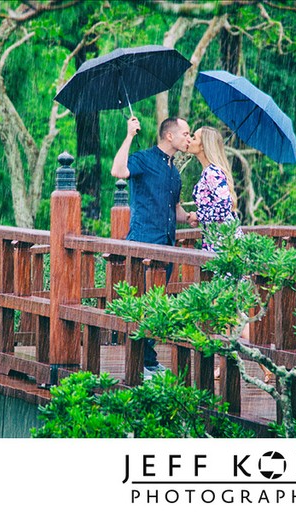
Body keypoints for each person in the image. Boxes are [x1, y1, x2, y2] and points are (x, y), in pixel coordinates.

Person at [111, 115, 198, 378]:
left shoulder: (173, 169)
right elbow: (118, 171)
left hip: (167, 244)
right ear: (169, 136)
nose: (189, 138)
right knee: (144, 304)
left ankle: (148, 360)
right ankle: (143, 362)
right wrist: (129, 135)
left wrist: (189, 217)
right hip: (144, 242)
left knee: (156, 304)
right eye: (186, 134)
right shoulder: (144, 158)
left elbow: (174, 208)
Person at [187, 126, 273, 383]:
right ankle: (234, 364)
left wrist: (198, 216)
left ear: (204, 145)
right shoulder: (208, 172)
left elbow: (225, 209)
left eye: (195, 137)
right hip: (218, 244)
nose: (190, 140)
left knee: (229, 312)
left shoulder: (213, 173)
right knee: (227, 312)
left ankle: (266, 362)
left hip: (225, 247)